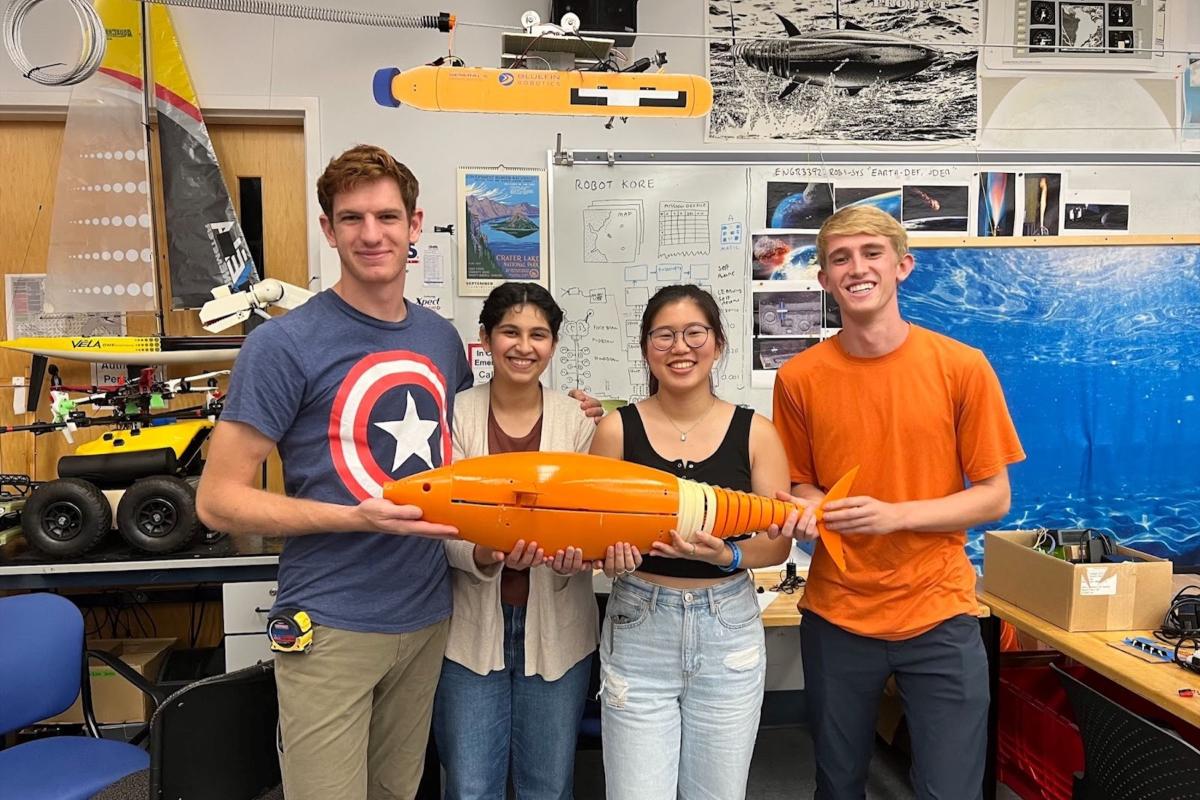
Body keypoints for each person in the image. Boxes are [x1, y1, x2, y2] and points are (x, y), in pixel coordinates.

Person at [196, 144, 473, 800]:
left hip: (428, 614)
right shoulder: (282, 346)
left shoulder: (440, 340)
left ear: (414, 224)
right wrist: (353, 517)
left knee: (396, 793)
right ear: (328, 229)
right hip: (332, 622)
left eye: (386, 216)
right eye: (351, 219)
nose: (371, 234)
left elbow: (458, 451)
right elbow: (217, 501)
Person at [770, 206, 1025, 800]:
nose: (856, 268)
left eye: (871, 253)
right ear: (824, 279)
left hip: (940, 611)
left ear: (902, 266)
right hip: (837, 615)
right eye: (840, 258)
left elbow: (994, 498)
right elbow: (800, 483)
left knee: (950, 790)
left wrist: (894, 515)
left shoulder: (962, 367)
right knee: (838, 785)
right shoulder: (800, 378)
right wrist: (812, 506)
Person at [588, 284, 797, 800]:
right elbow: (592, 533)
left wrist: (729, 555)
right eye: (664, 336)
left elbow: (777, 544)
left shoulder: (757, 432)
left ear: (718, 343)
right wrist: (610, 559)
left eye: (694, 333)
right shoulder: (617, 430)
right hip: (639, 622)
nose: (680, 347)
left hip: (727, 626)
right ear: (645, 349)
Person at [433, 282, 598, 800]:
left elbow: (594, 519)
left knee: (547, 786)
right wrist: (480, 552)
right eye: (510, 331)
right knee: (470, 785)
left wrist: (576, 557)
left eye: (539, 335)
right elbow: (437, 517)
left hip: (558, 627)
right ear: (484, 338)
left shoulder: (578, 421)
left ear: (552, 344)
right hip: (467, 628)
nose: (524, 346)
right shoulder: (453, 414)